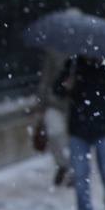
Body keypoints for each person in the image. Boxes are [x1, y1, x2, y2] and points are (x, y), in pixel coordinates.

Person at [55, 55, 105, 210]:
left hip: (104, 126)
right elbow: (58, 89)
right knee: (80, 175)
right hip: (79, 128)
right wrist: (66, 86)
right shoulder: (73, 65)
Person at [34, 49, 74, 186]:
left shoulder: (84, 51)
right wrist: (42, 102)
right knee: (54, 134)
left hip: (75, 105)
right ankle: (64, 164)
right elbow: (46, 78)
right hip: (55, 102)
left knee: (72, 140)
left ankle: (73, 170)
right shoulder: (53, 51)